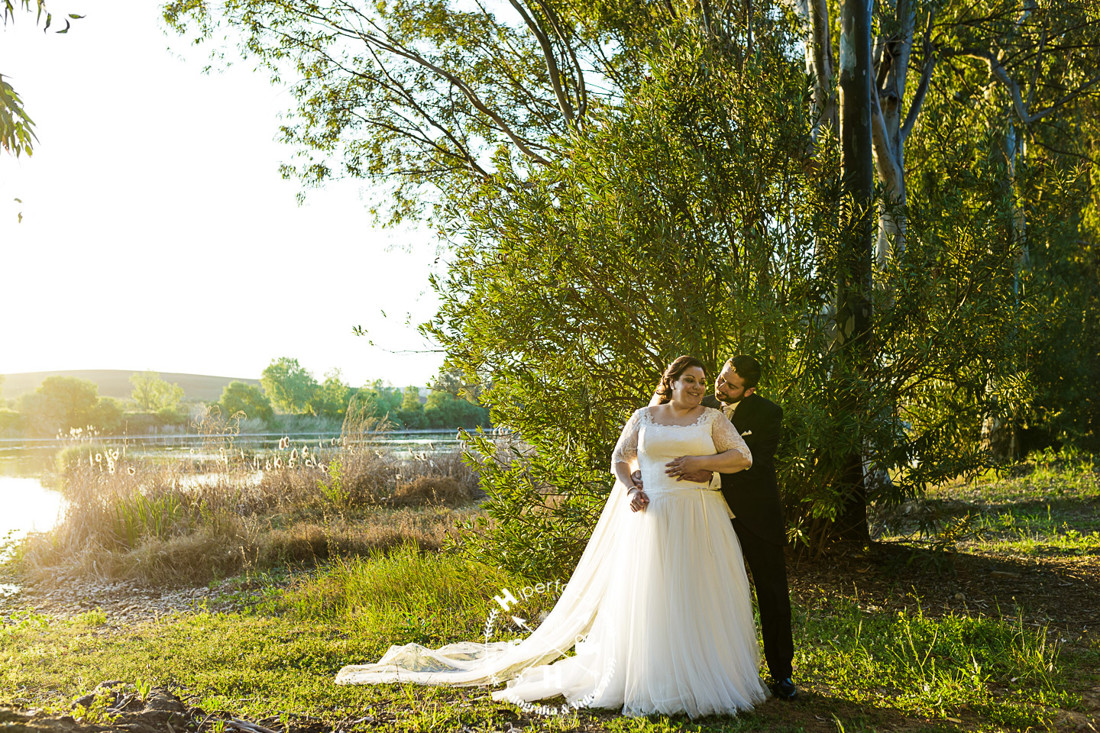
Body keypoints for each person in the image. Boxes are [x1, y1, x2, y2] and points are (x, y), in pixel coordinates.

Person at [335, 356, 770, 717]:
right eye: (688, 380)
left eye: (700, 381)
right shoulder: (644, 417)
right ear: (670, 382)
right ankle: (655, 676)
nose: (697, 387)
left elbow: (743, 457)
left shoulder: (711, 418)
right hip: (651, 516)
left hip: (697, 516)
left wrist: (703, 464)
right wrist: (633, 487)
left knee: (698, 594)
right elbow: (620, 459)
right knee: (653, 597)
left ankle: (705, 677)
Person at [684, 354, 797, 701]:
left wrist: (715, 476)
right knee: (710, 593)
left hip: (755, 516)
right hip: (708, 516)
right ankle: (713, 669)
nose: (720, 387)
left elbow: (759, 463)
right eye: (720, 378)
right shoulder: (697, 407)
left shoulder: (768, 414)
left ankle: (782, 674)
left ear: (748, 391)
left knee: (772, 594)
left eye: (730, 385)